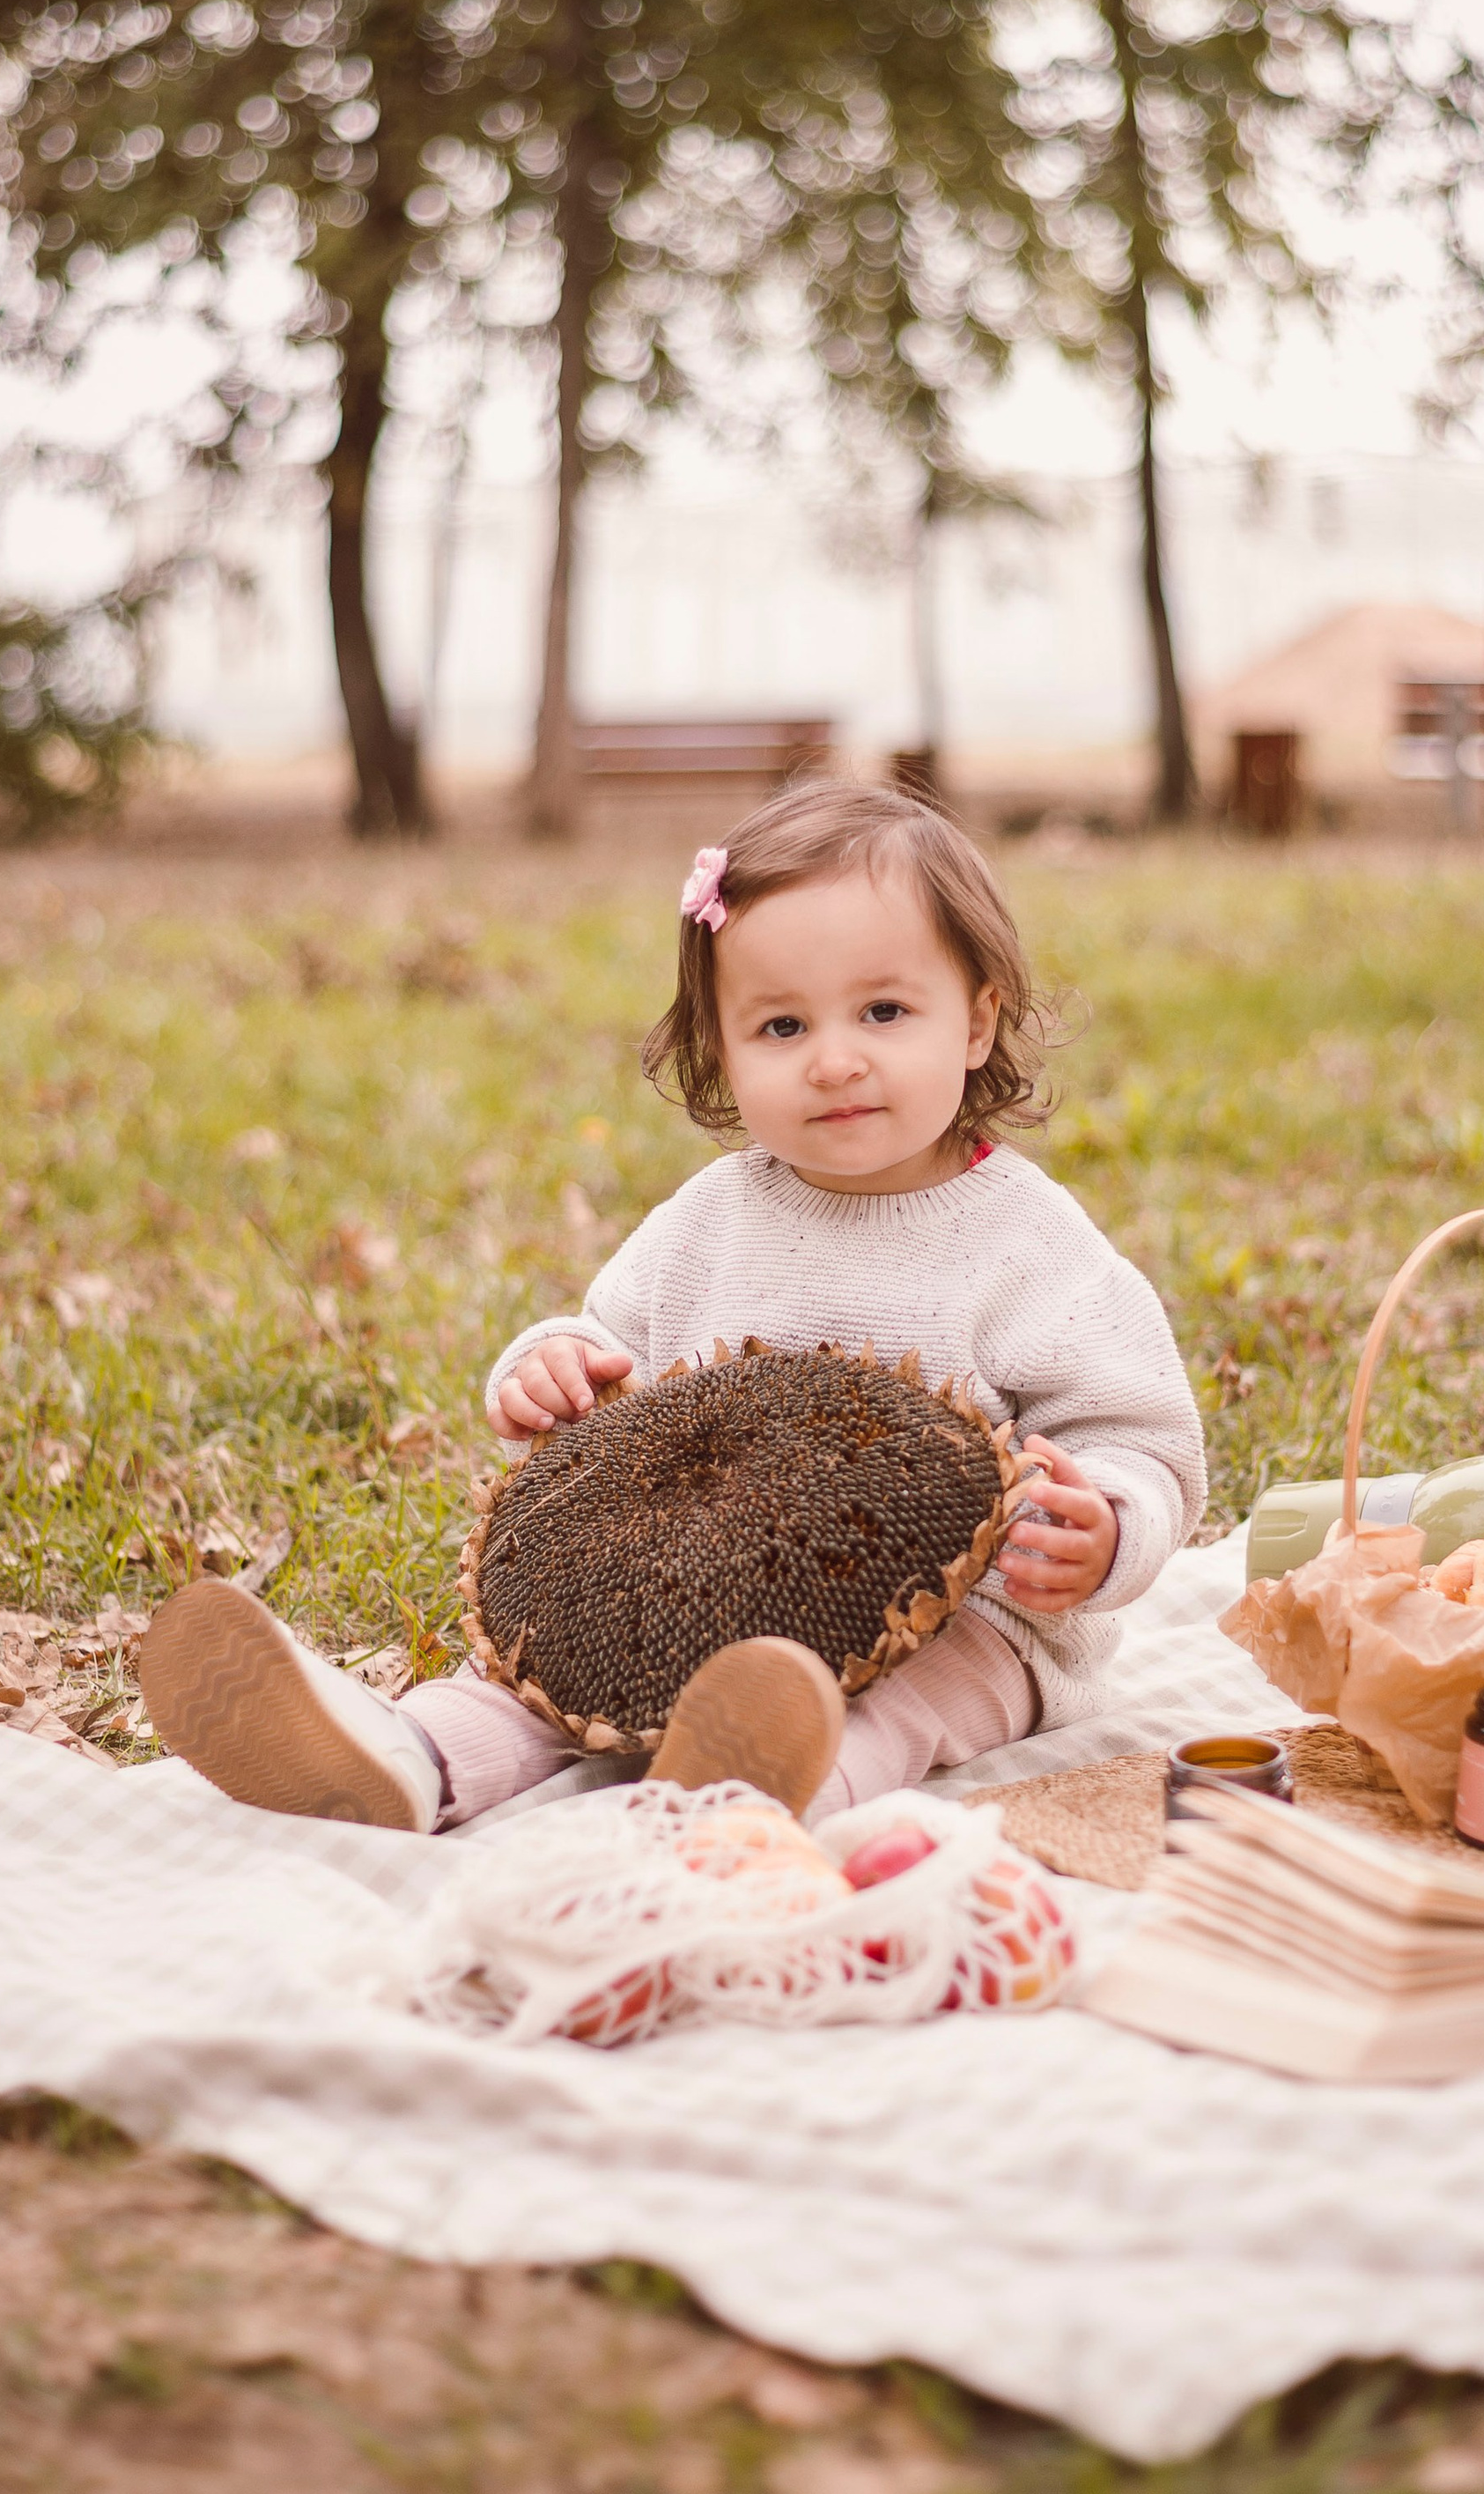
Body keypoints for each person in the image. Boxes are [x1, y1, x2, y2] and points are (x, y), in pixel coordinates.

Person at [141, 779, 1207, 1831]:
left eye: (883, 1011)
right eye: (781, 1027)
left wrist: (1104, 1526)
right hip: (702, 1590)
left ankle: (782, 1778)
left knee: (926, 1695)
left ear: (976, 1024)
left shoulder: (1026, 1243)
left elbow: (1140, 1435)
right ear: (720, 1050)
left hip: (963, 1610)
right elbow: (614, 1345)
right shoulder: (716, 1213)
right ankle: (404, 1756)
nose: (835, 1060)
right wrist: (557, 1361)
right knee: (540, 1678)